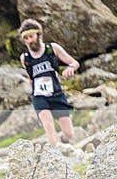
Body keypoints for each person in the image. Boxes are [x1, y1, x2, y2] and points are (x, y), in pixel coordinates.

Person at [18, 19, 78, 147]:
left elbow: (73, 62)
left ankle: (62, 141)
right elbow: (30, 77)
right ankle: (56, 150)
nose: (29, 41)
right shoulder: (25, 58)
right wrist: (34, 92)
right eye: (26, 38)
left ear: (38, 35)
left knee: (69, 133)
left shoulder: (52, 49)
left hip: (56, 93)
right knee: (47, 122)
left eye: (31, 36)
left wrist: (70, 68)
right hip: (39, 95)